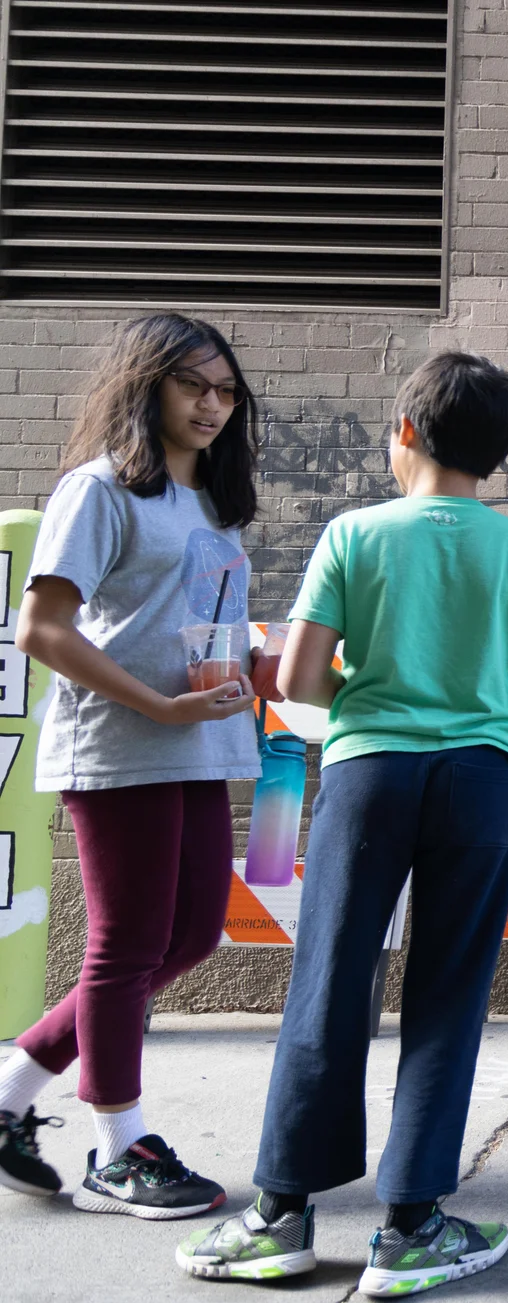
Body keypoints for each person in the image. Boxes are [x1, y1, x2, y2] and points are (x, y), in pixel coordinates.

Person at [176, 351, 508, 1297]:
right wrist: (474, 685)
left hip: (368, 776)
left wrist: (378, 680)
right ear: (500, 456)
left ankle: (280, 1216)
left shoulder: (355, 533)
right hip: (482, 778)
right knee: (450, 992)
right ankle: (412, 1227)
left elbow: (303, 680)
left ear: (404, 434)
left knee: (329, 980)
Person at [0, 314, 272, 1217]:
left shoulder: (215, 503)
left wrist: (266, 668)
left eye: (227, 391)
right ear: (145, 384)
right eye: (194, 385)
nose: (212, 404)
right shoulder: (101, 490)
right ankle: (119, 1147)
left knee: (192, 935)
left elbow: (203, 625)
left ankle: (5, 1096)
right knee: (123, 947)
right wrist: (156, 704)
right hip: (121, 747)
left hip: (201, 742)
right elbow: (42, 629)